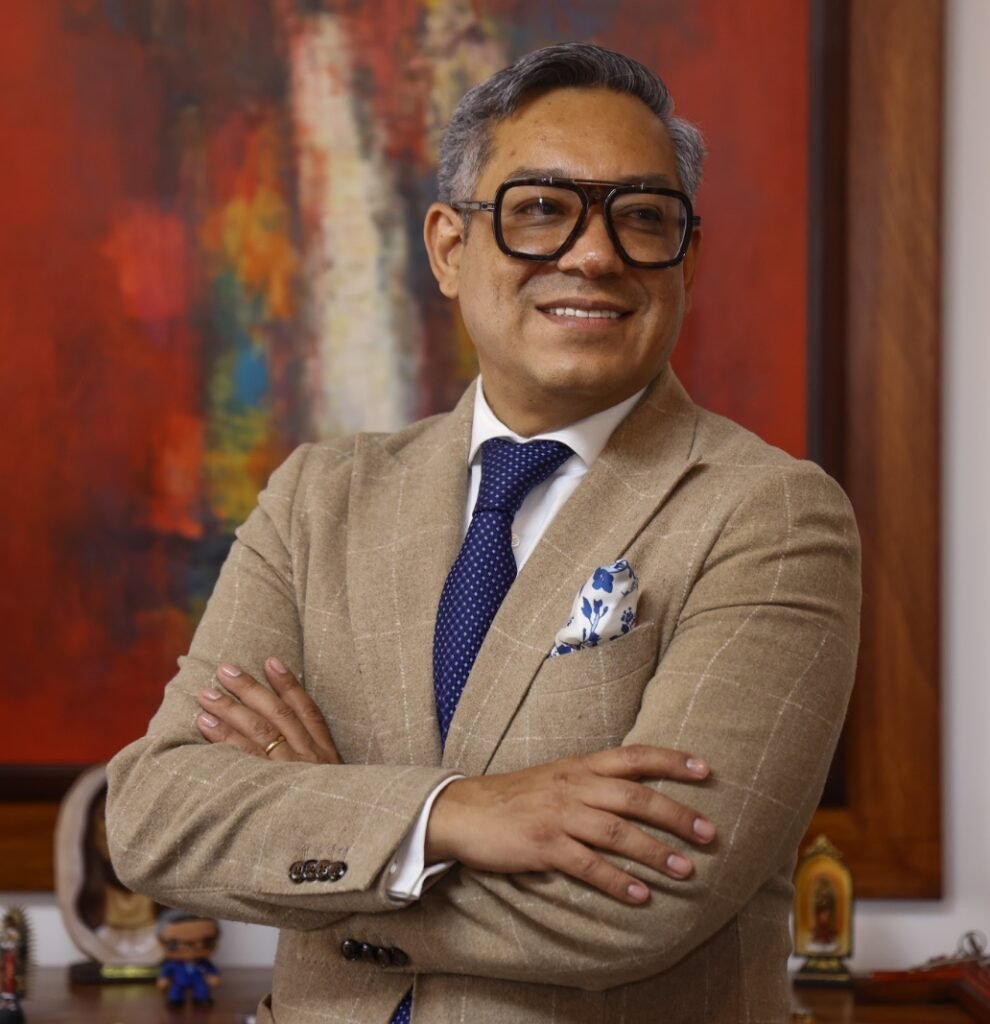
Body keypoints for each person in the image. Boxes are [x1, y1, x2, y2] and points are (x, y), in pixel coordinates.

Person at [106, 43, 861, 1023]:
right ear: (449, 248)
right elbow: (156, 816)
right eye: (541, 208)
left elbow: (637, 903)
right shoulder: (317, 498)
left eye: (642, 217)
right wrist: (450, 814)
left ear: (687, 259)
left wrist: (336, 834)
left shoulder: (771, 514)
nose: (595, 255)